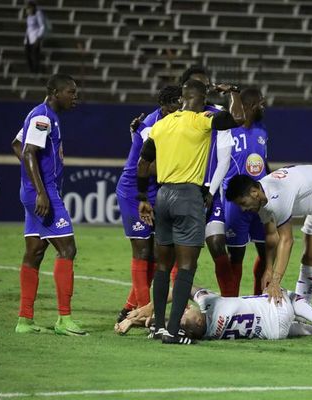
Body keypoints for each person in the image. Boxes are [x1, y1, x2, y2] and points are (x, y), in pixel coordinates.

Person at [136, 79, 244, 345]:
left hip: (162, 196)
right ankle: (173, 330)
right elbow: (238, 118)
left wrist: (142, 197)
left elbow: (143, 162)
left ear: (183, 97)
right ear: (201, 97)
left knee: (162, 265)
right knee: (186, 266)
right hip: (188, 196)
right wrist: (233, 93)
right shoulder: (201, 120)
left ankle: (158, 327)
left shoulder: (161, 125)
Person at [226, 165, 312, 340]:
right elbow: (271, 236)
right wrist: (268, 268)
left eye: (243, 204)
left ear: (254, 192)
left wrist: (275, 281)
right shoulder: (262, 198)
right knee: (309, 260)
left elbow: (286, 240)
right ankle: (300, 316)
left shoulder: (276, 195)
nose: (244, 209)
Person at [15, 73, 87, 336]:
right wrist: (41, 192)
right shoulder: (43, 117)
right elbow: (28, 151)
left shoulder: (42, 115)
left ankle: (24, 320)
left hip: (34, 189)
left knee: (34, 252)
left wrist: (29, 182)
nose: (75, 97)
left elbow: (17, 144)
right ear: (56, 93)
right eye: (71, 92)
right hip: (44, 193)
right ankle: (64, 320)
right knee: (67, 249)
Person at [115, 86, 182, 323]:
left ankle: (130, 307)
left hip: (156, 190)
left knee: (159, 252)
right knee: (143, 250)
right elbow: (147, 165)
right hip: (135, 190)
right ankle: (143, 313)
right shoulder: (152, 126)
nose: (181, 108)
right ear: (165, 105)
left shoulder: (173, 122)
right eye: (177, 103)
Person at [179, 66, 235, 298]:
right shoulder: (174, 117)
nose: (205, 88)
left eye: (206, 84)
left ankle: (231, 302)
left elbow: (224, 159)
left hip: (209, 192)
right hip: (181, 192)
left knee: (216, 243)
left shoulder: (217, 115)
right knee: (179, 255)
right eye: (197, 84)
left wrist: (210, 192)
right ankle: (169, 309)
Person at [115, 285, 312, 341]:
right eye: (187, 313)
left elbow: (164, 323)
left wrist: (135, 321)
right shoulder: (212, 306)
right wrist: (148, 307)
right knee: (288, 296)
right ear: (199, 320)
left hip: (273, 333)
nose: (187, 309)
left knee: (296, 330)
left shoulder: (207, 334)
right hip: (275, 310)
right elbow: (183, 289)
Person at [221, 87, 269, 296]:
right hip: (236, 203)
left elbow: (264, 164)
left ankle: (260, 299)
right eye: (261, 103)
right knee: (236, 255)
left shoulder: (262, 132)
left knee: (267, 253)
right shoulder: (227, 131)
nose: (264, 107)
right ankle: (232, 302)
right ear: (250, 106)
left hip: (258, 202)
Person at [24, 1, 46, 74]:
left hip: (35, 38)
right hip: (28, 38)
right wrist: (26, 38)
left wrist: (38, 38)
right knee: (27, 55)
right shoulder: (29, 16)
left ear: (33, 8)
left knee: (35, 55)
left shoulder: (38, 14)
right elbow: (29, 28)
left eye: (29, 8)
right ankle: (31, 70)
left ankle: (36, 71)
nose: (27, 10)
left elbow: (42, 26)